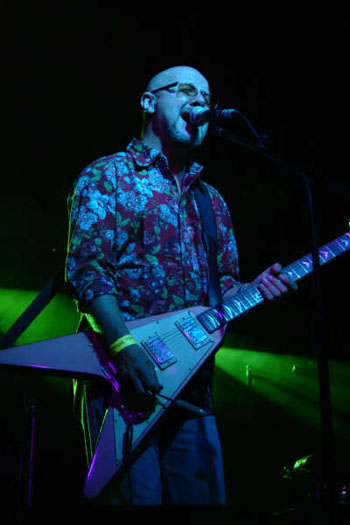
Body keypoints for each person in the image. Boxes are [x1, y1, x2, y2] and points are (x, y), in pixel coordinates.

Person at [65, 65, 296, 506]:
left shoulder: (212, 201)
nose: (201, 103)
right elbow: (89, 274)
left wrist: (253, 290)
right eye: (186, 90)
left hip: (192, 387)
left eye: (207, 96)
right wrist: (122, 348)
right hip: (123, 381)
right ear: (149, 102)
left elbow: (222, 290)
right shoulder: (107, 177)